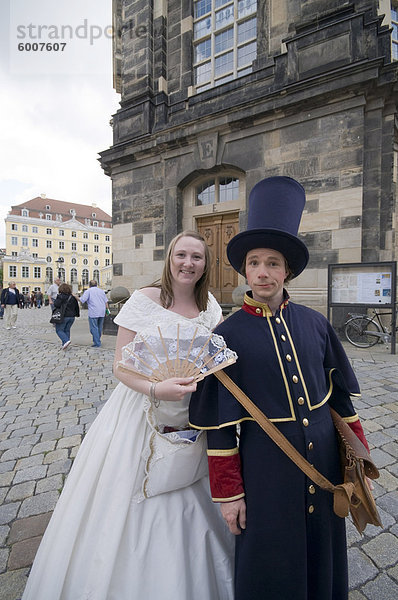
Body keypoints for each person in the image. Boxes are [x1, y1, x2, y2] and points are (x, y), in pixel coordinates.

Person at [22, 230, 234, 600]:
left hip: (193, 414)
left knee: (191, 482)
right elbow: (121, 367)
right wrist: (157, 389)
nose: (188, 263)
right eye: (181, 255)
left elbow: (212, 359)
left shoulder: (212, 307)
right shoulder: (145, 299)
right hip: (140, 410)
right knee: (132, 494)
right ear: (169, 259)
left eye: (196, 257)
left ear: (206, 265)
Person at [190, 177, 372, 600]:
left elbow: (340, 399)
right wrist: (229, 494)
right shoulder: (226, 335)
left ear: (286, 270)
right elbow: (219, 429)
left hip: (325, 463)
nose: (263, 272)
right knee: (271, 564)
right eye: (255, 262)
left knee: (323, 557)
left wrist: (359, 458)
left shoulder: (316, 323)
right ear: (245, 270)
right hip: (266, 471)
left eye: (273, 263)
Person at [79, 280, 109, 347]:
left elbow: (82, 300)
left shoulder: (88, 291)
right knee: (99, 327)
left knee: (94, 328)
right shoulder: (101, 291)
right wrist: (107, 310)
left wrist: (75, 296)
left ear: (89, 285)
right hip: (102, 311)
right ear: (97, 284)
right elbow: (106, 301)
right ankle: (97, 340)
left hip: (93, 312)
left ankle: (97, 342)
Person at [53, 283, 80, 350]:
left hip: (63, 316)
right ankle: (65, 344)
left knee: (59, 330)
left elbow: (56, 304)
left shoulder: (60, 296)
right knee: (67, 330)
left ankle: (66, 340)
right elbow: (76, 306)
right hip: (72, 316)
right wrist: (76, 314)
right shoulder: (72, 297)